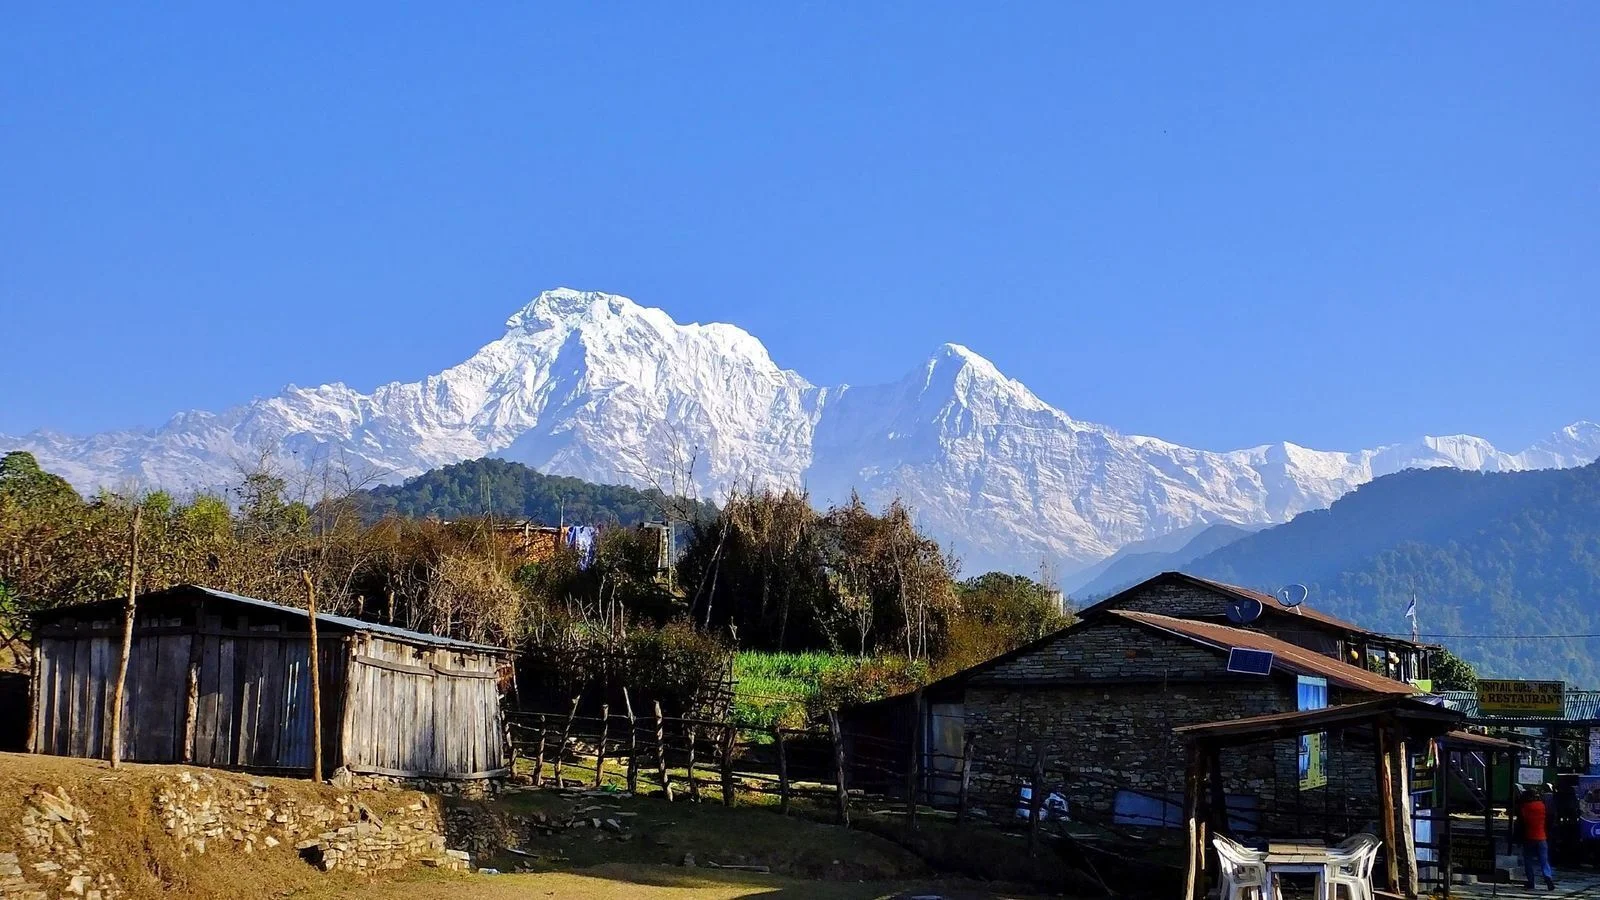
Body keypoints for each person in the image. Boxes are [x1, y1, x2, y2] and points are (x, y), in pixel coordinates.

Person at [1518, 786, 1556, 890]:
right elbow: (1549, 820)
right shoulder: (1542, 806)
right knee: (1544, 860)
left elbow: (1521, 823)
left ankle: (1531, 882)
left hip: (1529, 837)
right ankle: (1548, 878)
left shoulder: (1524, 807)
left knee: (1528, 860)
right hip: (1542, 837)